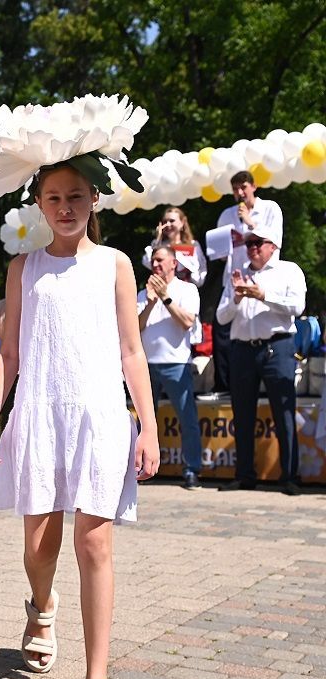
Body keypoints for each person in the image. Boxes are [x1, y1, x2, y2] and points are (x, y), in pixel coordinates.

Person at [0, 95, 159, 679]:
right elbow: (9, 353)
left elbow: (132, 350)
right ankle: (42, 603)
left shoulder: (115, 266)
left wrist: (149, 425)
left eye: (76, 195)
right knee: (39, 545)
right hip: (38, 414)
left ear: (94, 200)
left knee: (95, 543)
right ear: (38, 203)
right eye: (53, 196)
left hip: (101, 417)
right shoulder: (23, 268)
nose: (65, 206)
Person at [215, 223, 305, 495]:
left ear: (273, 245)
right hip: (243, 349)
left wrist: (263, 295)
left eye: (258, 243)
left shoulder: (289, 270)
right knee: (242, 414)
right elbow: (221, 317)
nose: (252, 248)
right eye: (249, 244)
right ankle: (244, 475)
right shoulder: (238, 274)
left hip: (277, 347)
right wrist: (237, 298)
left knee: (283, 413)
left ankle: (289, 476)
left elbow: (297, 306)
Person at [208, 171, 284, 393]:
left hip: (262, 277)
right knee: (223, 331)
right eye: (235, 189)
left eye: (243, 187)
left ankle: (264, 381)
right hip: (234, 278)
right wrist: (224, 246)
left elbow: (275, 241)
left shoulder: (270, 208)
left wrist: (250, 223)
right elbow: (220, 254)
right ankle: (224, 384)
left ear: (254, 186)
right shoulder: (226, 215)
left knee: (258, 326)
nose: (240, 193)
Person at [138, 246, 203, 489]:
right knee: (145, 421)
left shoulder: (187, 289)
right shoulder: (142, 293)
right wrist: (149, 303)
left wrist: (165, 297)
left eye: (160, 260)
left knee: (187, 419)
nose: (155, 265)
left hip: (176, 362)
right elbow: (135, 328)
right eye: (153, 261)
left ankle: (191, 470)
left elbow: (187, 322)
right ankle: (143, 468)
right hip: (146, 364)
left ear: (174, 263)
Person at [141, 207, 207, 286]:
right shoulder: (159, 245)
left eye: (172, 221)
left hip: (186, 289)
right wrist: (158, 238)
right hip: (163, 288)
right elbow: (147, 262)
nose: (168, 224)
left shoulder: (193, 245)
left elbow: (200, 272)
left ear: (182, 222)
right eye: (165, 222)